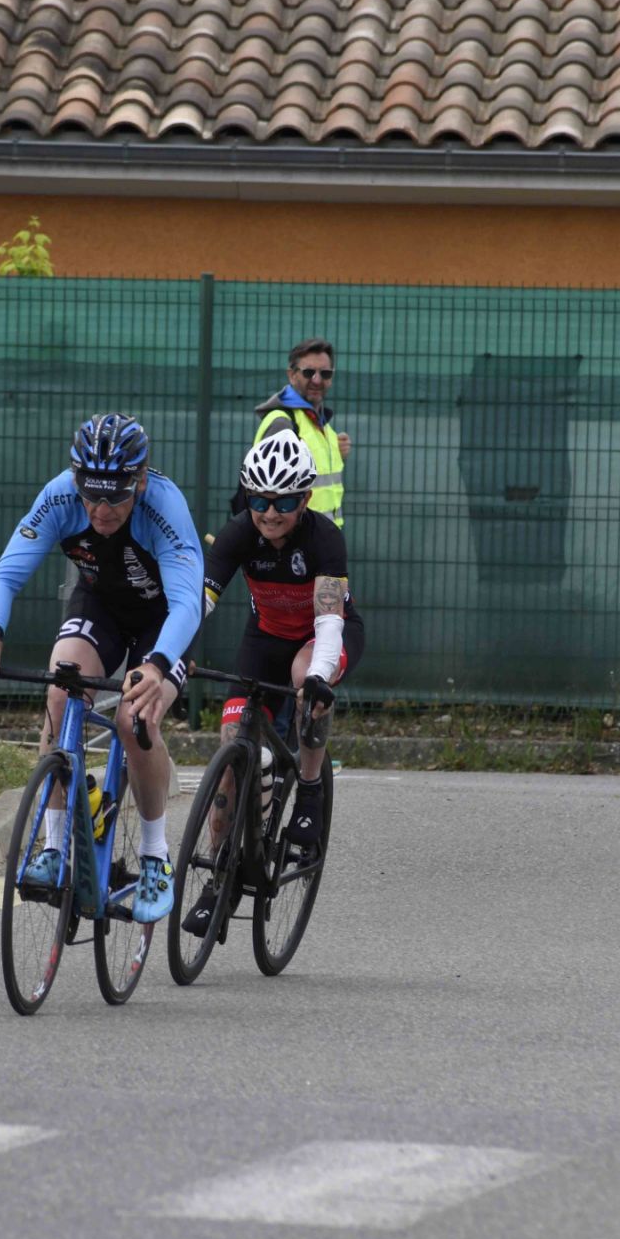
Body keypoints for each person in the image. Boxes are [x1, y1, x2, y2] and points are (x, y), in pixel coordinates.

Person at [0, 413, 203, 924]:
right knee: (59, 689)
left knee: (134, 719)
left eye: (115, 497)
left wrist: (157, 666)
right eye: (91, 495)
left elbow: (187, 604)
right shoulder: (60, 496)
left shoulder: (165, 507)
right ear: (76, 481)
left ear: (140, 481)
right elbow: (7, 574)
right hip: (101, 607)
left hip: (164, 621)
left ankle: (155, 856)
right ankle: (53, 846)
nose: (101, 509)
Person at [187, 435, 364, 937]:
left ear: (304, 498)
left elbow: (329, 622)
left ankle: (308, 790)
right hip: (264, 639)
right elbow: (199, 602)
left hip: (321, 637)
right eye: (259, 500)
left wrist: (319, 678)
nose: (269, 513)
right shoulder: (239, 533)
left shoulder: (324, 539)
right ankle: (219, 876)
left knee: (305, 679)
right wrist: (168, 655)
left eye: (284, 502)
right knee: (232, 749)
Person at [252, 336, 350, 526]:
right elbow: (267, 494)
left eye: (325, 373)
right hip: (296, 538)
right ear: (292, 375)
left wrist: (338, 453)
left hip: (322, 536)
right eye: (308, 372)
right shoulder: (283, 424)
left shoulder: (322, 426)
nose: (317, 380)